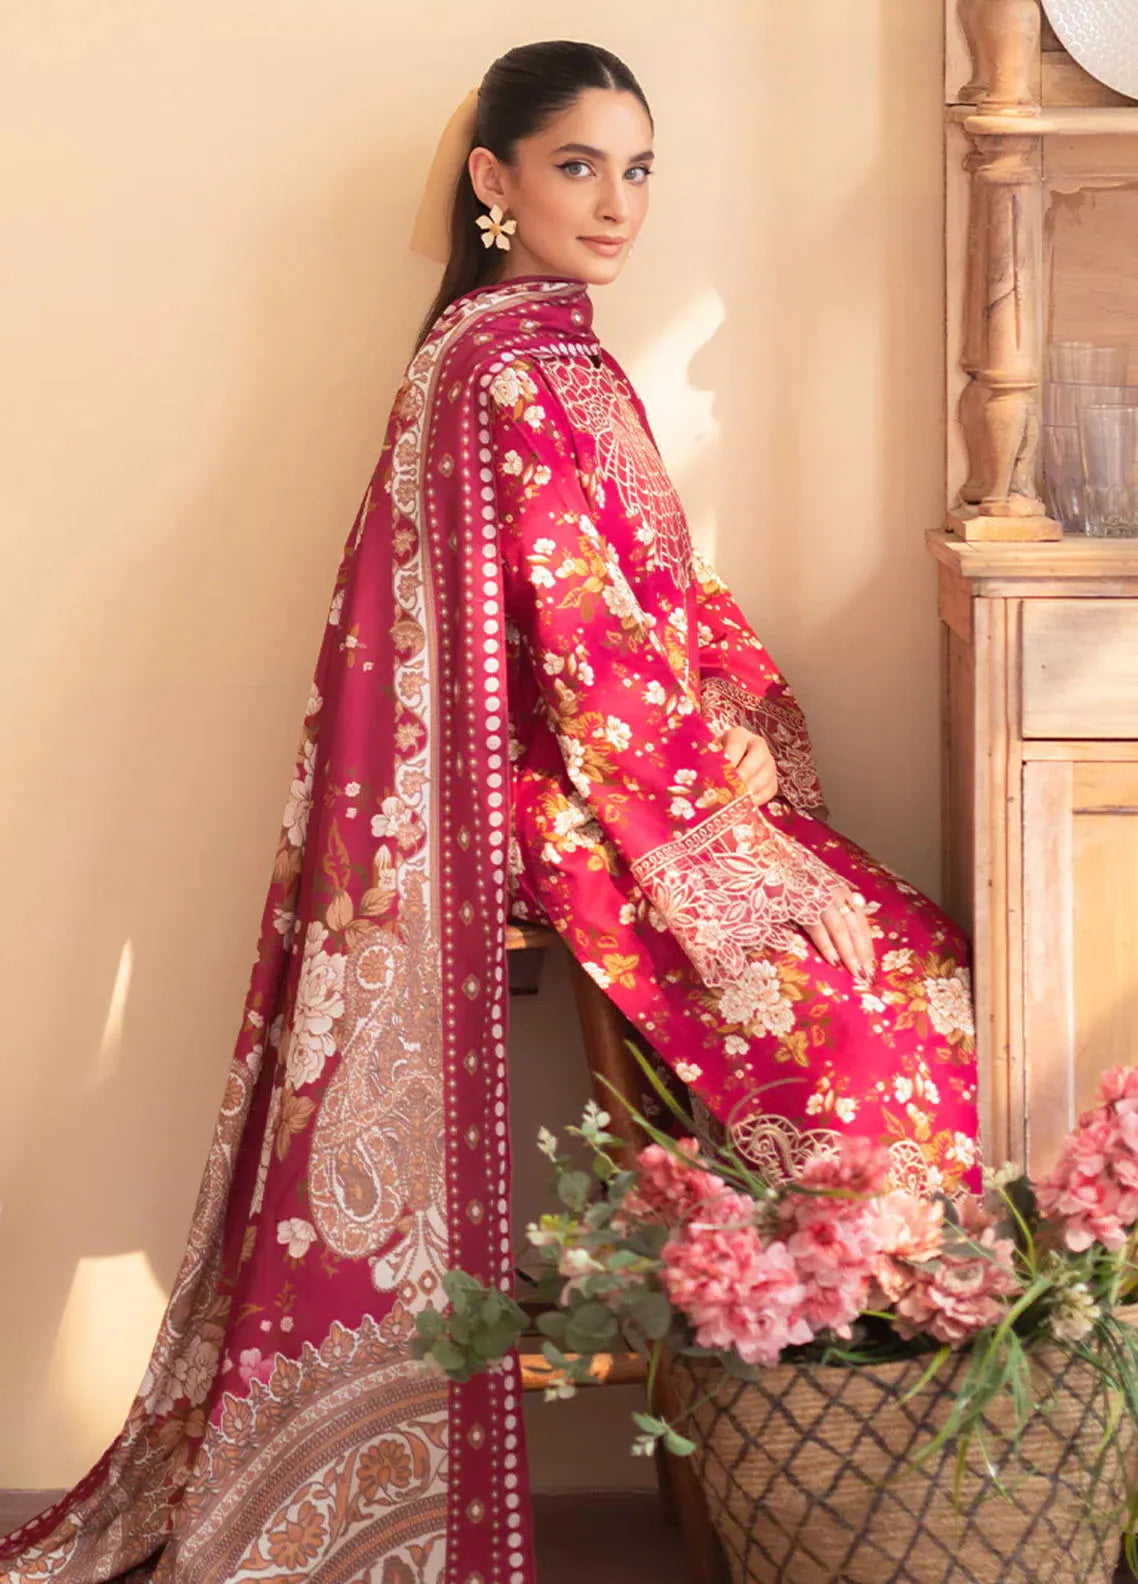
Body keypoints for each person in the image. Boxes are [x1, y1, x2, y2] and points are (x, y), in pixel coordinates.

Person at [0, 39, 979, 1584]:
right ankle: (867, 1461)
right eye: (578, 165)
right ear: (491, 181)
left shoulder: (559, 354)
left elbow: (663, 594)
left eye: (637, 168)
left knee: (911, 946)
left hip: (643, 766)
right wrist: (716, 804)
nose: (617, 201)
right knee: (861, 991)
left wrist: (734, 716)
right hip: (569, 796)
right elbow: (580, 649)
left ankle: (873, 1424)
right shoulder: (501, 368)